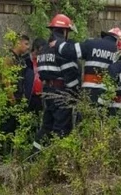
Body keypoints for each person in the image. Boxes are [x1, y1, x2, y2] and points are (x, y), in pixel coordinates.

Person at [32, 14, 81, 153]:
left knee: (46, 126)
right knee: (62, 128)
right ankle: (58, 162)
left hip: (47, 92)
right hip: (61, 94)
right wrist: (75, 94)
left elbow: (41, 74)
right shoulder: (63, 49)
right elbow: (71, 74)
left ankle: (34, 157)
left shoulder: (43, 50)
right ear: (65, 31)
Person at [55, 27, 121, 105]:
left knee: (86, 116)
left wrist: (58, 43)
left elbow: (69, 51)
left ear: (105, 36)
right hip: (107, 95)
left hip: (88, 92)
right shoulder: (120, 52)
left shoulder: (92, 44)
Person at [0, 34, 31, 157]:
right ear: (18, 43)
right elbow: (6, 80)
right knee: (5, 128)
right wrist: (12, 99)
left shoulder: (19, 59)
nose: (28, 47)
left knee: (15, 128)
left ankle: (10, 153)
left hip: (19, 98)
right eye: (26, 44)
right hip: (11, 100)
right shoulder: (9, 58)